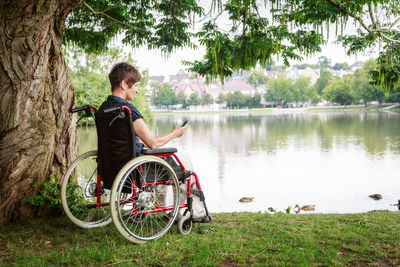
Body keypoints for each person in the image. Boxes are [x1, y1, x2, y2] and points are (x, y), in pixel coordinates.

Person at [98, 62, 188, 153]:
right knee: (183, 159)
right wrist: (174, 134)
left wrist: (141, 142)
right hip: (133, 163)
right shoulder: (127, 110)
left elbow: (119, 140)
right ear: (124, 84)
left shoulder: (103, 108)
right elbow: (153, 143)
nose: (137, 91)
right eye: (136, 85)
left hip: (109, 164)